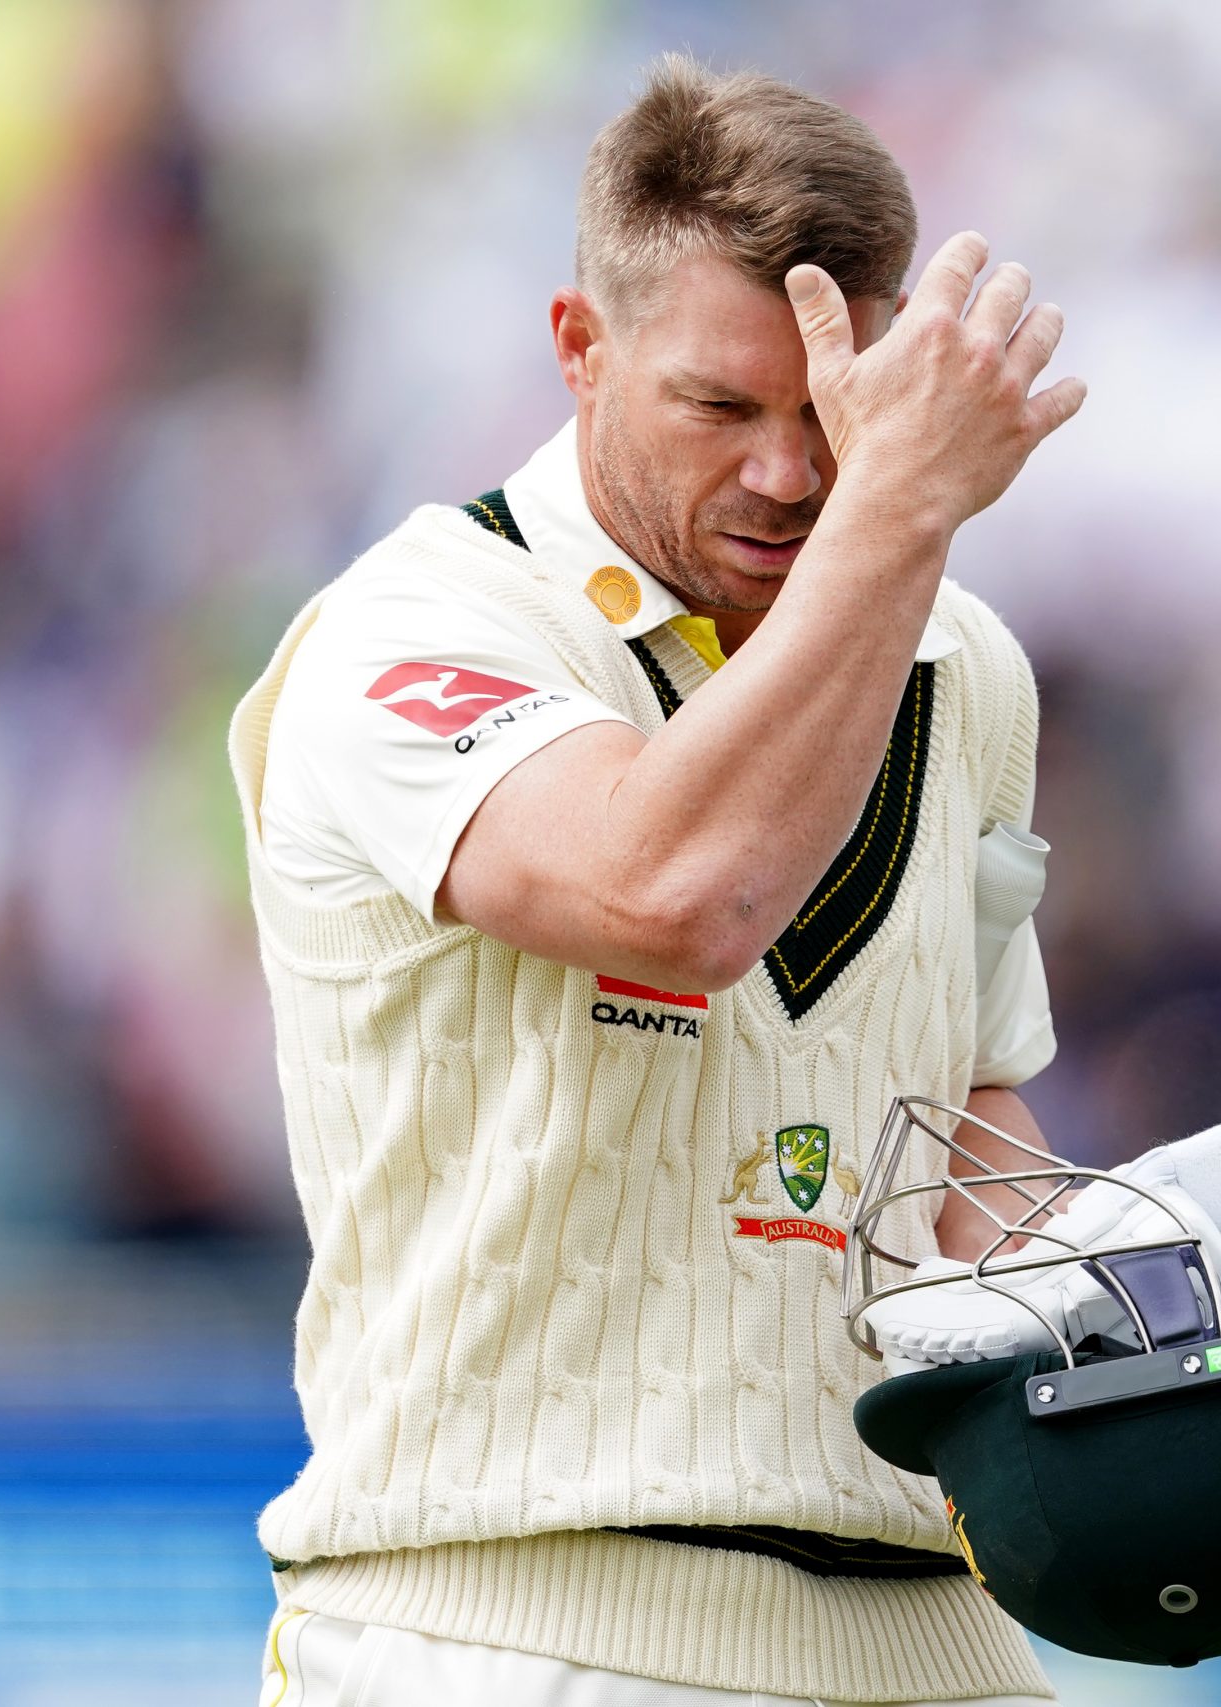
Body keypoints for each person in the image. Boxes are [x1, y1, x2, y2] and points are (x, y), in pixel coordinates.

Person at [229, 54, 1084, 1705]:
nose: (789, 474)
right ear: (579, 347)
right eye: (720, 406)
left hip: (933, 1631)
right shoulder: (414, 630)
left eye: (829, 412)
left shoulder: (970, 666)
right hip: (511, 1627)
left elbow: (957, 1115)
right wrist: (896, 520)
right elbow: (672, 897)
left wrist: (1168, 1306)